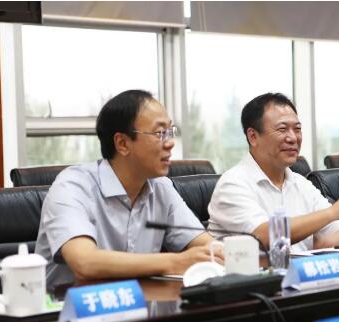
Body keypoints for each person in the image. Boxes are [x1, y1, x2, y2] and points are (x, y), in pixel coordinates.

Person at [35, 89, 221, 290]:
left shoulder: (161, 187)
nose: (170, 143)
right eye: (159, 133)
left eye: (170, 132)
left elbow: (206, 246)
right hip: (68, 306)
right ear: (122, 143)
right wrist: (176, 262)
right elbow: (85, 262)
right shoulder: (72, 187)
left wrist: (228, 253)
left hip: (138, 303)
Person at [208, 93, 339, 253]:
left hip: (301, 272)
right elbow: (264, 236)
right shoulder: (233, 184)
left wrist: (328, 242)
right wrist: (332, 213)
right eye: (282, 129)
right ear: (253, 137)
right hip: (254, 273)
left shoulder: (301, 184)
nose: (293, 138)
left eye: (297, 129)